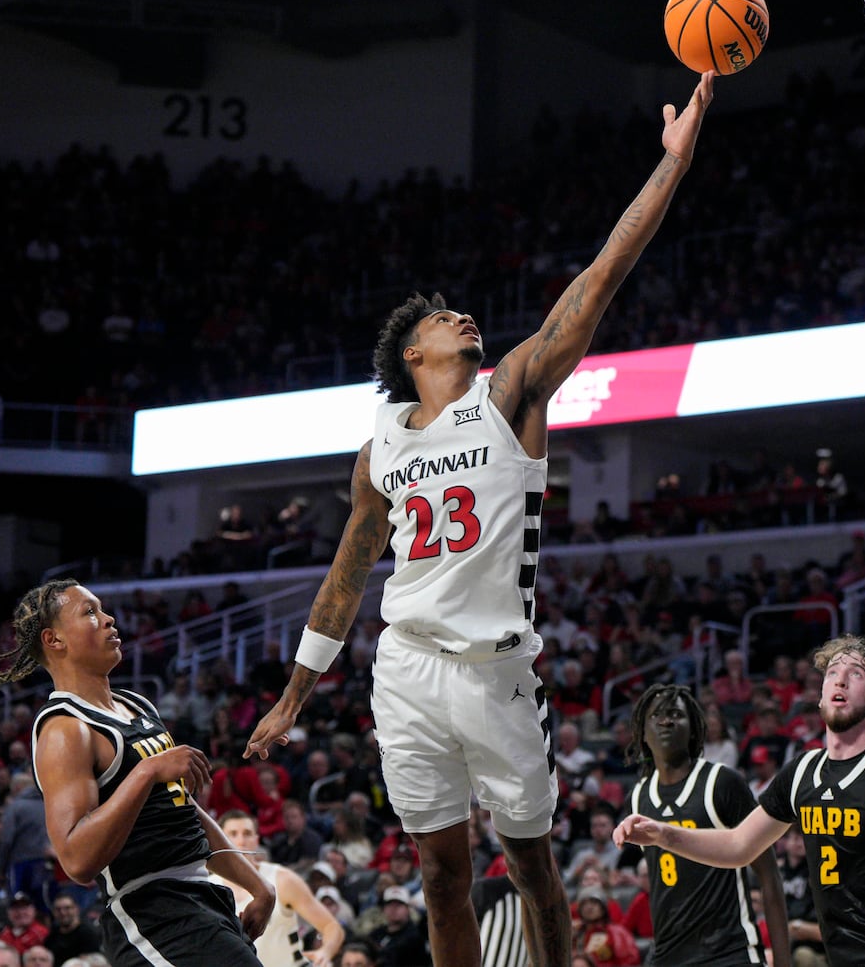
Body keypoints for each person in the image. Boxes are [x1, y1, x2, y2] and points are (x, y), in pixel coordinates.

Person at [245, 70, 717, 967]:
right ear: (413, 352)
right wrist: (293, 695)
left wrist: (672, 166)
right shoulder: (380, 440)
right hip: (408, 667)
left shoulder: (510, 393)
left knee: (533, 866)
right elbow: (349, 575)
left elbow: (601, 276)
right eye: (441, 316)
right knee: (438, 872)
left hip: (500, 673)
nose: (465, 314)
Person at [613, 634, 865, 967]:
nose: (840, 679)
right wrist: (663, 834)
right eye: (832, 673)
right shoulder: (802, 773)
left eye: (856, 673)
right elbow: (738, 846)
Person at [0, 579, 273, 967]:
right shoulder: (65, 728)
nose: (109, 619)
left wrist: (257, 885)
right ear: (54, 640)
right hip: (150, 913)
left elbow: (183, 811)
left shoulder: (138, 706)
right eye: (89, 612)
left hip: (202, 898)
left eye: (101, 609)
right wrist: (147, 771)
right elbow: (77, 859)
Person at [621, 682, 791, 967]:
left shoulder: (723, 783)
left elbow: (769, 874)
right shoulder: (637, 798)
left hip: (730, 950)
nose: (665, 720)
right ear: (642, 733)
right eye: (656, 715)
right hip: (667, 953)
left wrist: (784, 962)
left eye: (675, 714)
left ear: (694, 729)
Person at [212, 810, 345, 966]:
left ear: (256, 840)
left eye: (247, 834)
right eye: (233, 834)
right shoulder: (209, 886)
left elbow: (331, 926)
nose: (241, 841)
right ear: (220, 841)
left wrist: (325, 952)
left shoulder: (283, 880)